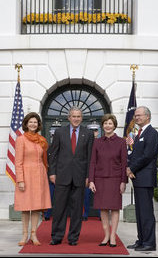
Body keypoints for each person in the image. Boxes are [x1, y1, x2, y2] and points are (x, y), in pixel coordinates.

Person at [48, 106, 94, 246]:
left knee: (77, 210)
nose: (76, 119)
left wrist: (88, 176)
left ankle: (73, 238)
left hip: (80, 177)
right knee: (59, 208)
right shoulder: (59, 132)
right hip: (61, 176)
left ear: (82, 118)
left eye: (78, 116)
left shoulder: (88, 133)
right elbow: (53, 155)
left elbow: (90, 157)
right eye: (73, 116)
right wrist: (52, 173)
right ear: (69, 117)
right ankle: (56, 236)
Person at [88, 114, 128, 247]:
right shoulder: (97, 142)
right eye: (105, 123)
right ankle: (105, 235)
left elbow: (124, 163)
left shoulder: (121, 142)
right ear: (102, 125)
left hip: (116, 180)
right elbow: (93, 162)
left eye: (110, 123)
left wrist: (123, 181)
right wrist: (92, 180)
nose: (107, 126)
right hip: (99, 179)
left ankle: (113, 236)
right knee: (103, 209)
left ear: (114, 125)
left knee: (114, 208)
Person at [14, 112, 51, 246]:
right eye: (31, 122)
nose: (33, 124)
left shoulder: (41, 140)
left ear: (38, 124)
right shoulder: (21, 139)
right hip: (26, 175)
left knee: (36, 207)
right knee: (26, 207)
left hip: (40, 175)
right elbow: (18, 162)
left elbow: (44, 159)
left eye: (35, 122)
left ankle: (34, 235)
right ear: (26, 124)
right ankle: (24, 235)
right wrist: (20, 180)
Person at [126, 106, 158, 252]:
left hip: (145, 178)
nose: (136, 118)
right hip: (138, 178)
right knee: (140, 212)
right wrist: (129, 167)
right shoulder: (138, 133)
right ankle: (141, 240)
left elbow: (147, 156)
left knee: (146, 212)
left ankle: (149, 242)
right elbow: (134, 154)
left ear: (147, 116)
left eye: (139, 115)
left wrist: (131, 168)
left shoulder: (152, 133)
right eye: (135, 115)